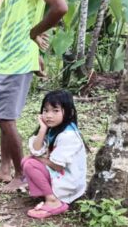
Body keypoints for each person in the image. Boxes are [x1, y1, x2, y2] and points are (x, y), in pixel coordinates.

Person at [0, 0, 68, 192]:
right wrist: (35, 51)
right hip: (6, 58)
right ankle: (4, 169)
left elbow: (60, 7)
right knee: (4, 117)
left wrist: (33, 33)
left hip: (17, 62)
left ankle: (21, 175)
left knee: (5, 119)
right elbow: (22, 18)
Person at [22, 90, 87, 219]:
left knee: (30, 164)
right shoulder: (54, 129)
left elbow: (58, 166)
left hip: (69, 182)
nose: (49, 115)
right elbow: (36, 149)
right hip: (60, 175)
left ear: (69, 112)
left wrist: (38, 159)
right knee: (27, 160)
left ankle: (53, 201)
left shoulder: (68, 135)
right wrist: (42, 129)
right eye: (46, 111)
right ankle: (48, 194)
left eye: (55, 111)